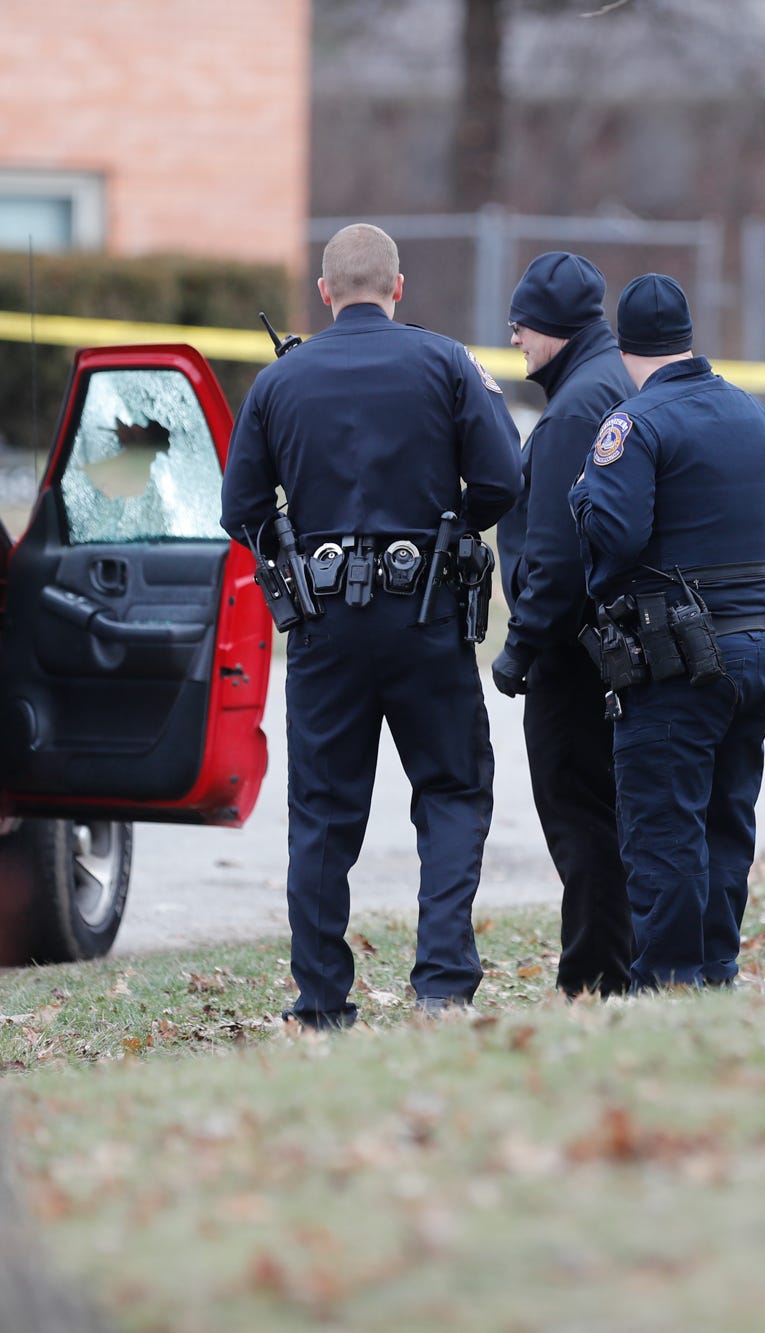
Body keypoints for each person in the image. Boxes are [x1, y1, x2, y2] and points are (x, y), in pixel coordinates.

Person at [220, 223, 522, 1028]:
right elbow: (503, 477)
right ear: (398, 287)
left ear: (324, 293)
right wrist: (453, 521)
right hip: (425, 614)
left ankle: (320, 1002)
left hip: (322, 627)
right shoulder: (447, 361)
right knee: (452, 789)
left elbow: (238, 510)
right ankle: (443, 985)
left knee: (323, 810)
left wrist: (299, 538)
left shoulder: (280, 382)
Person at [569, 274, 765, 991]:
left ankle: (666, 983)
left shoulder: (633, 424)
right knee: (727, 823)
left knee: (664, 827)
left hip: (675, 662)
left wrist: (581, 497)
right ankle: (713, 972)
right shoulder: (757, 415)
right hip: (757, 647)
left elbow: (617, 533)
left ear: (623, 344)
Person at [491, 252, 636, 997]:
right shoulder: (607, 381)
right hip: (607, 647)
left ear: (552, 326)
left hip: (570, 656)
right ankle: (616, 965)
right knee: (609, 815)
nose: (513, 335)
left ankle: (595, 975)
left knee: (579, 818)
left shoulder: (577, 407)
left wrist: (519, 652)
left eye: (521, 323)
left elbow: (555, 552)